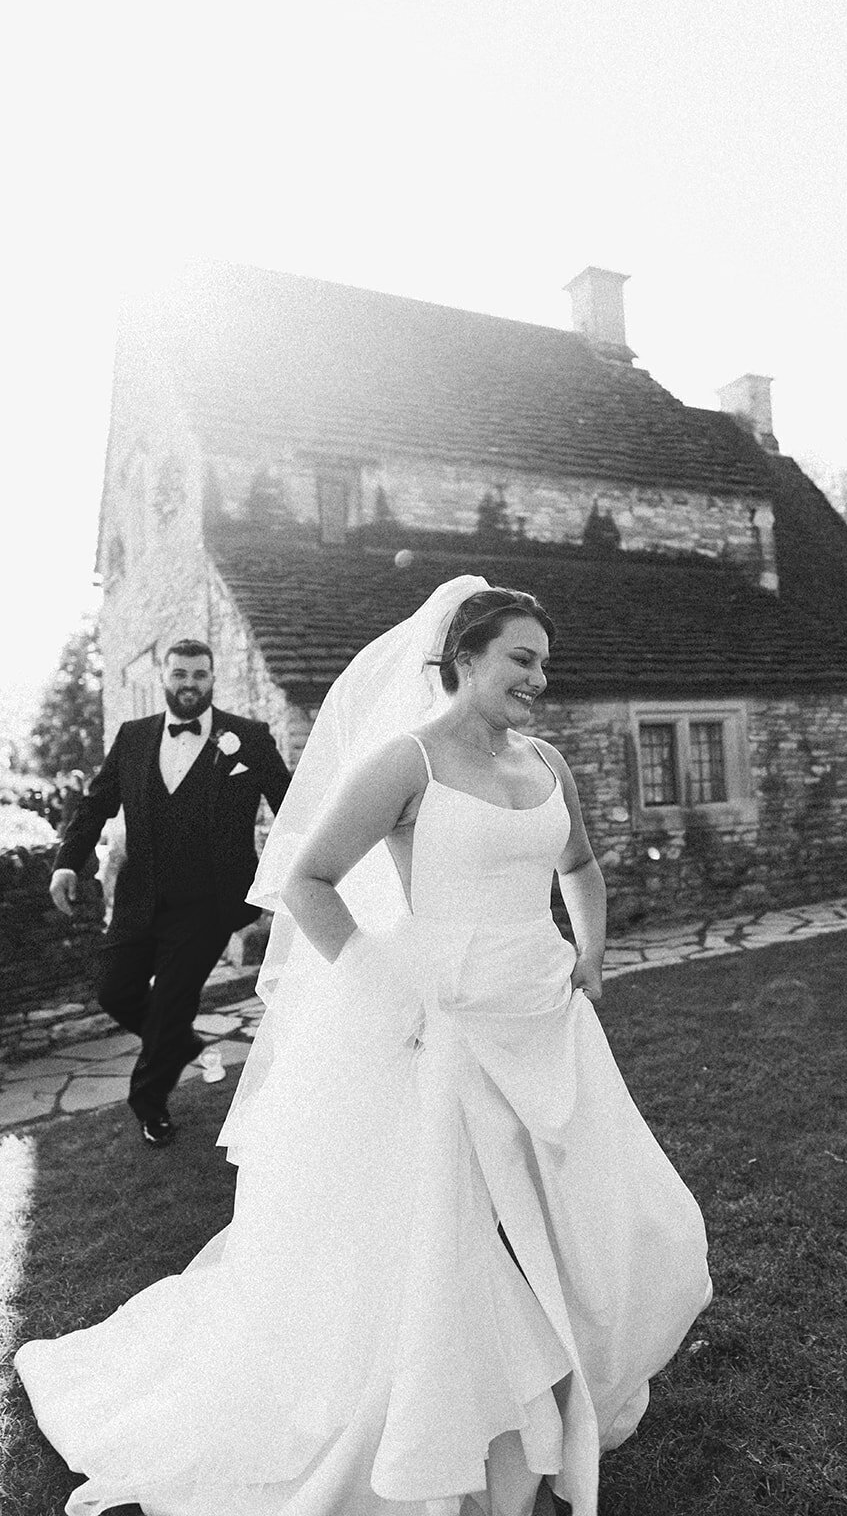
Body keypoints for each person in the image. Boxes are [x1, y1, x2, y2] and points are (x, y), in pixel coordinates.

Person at [17, 578, 712, 1516]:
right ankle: (485, 1431)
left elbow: (578, 865)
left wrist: (589, 955)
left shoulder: (546, 761)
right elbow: (304, 878)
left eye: (545, 663)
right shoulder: (406, 761)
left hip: (545, 1017)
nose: (539, 680)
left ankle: (564, 1385)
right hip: (445, 1027)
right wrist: (383, 978)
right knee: (462, 1233)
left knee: (601, 1215)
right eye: (521, 659)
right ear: (464, 660)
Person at [48, 638, 291, 1145]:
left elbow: (291, 807)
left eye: (199, 675)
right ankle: (177, 1045)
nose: (189, 684)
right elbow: (95, 806)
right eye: (179, 674)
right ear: (164, 676)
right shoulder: (133, 737)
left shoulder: (247, 737)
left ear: (211, 678)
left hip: (211, 900)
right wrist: (66, 864)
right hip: (141, 893)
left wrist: (300, 870)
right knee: (113, 990)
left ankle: (149, 1103)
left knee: (173, 999)